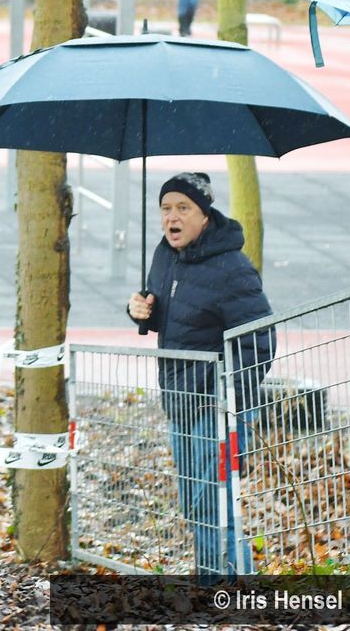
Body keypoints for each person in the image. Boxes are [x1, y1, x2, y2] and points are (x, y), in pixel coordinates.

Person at [128, 172, 276, 577]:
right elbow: (165, 310)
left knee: (214, 504)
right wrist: (140, 310)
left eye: (182, 208)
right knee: (195, 503)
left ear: (204, 215)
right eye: (165, 209)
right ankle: (222, 581)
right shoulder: (165, 255)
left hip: (216, 408)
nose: (171, 218)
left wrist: (225, 398)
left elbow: (260, 340)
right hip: (181, 401)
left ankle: (226, 588)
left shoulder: (232, 268)